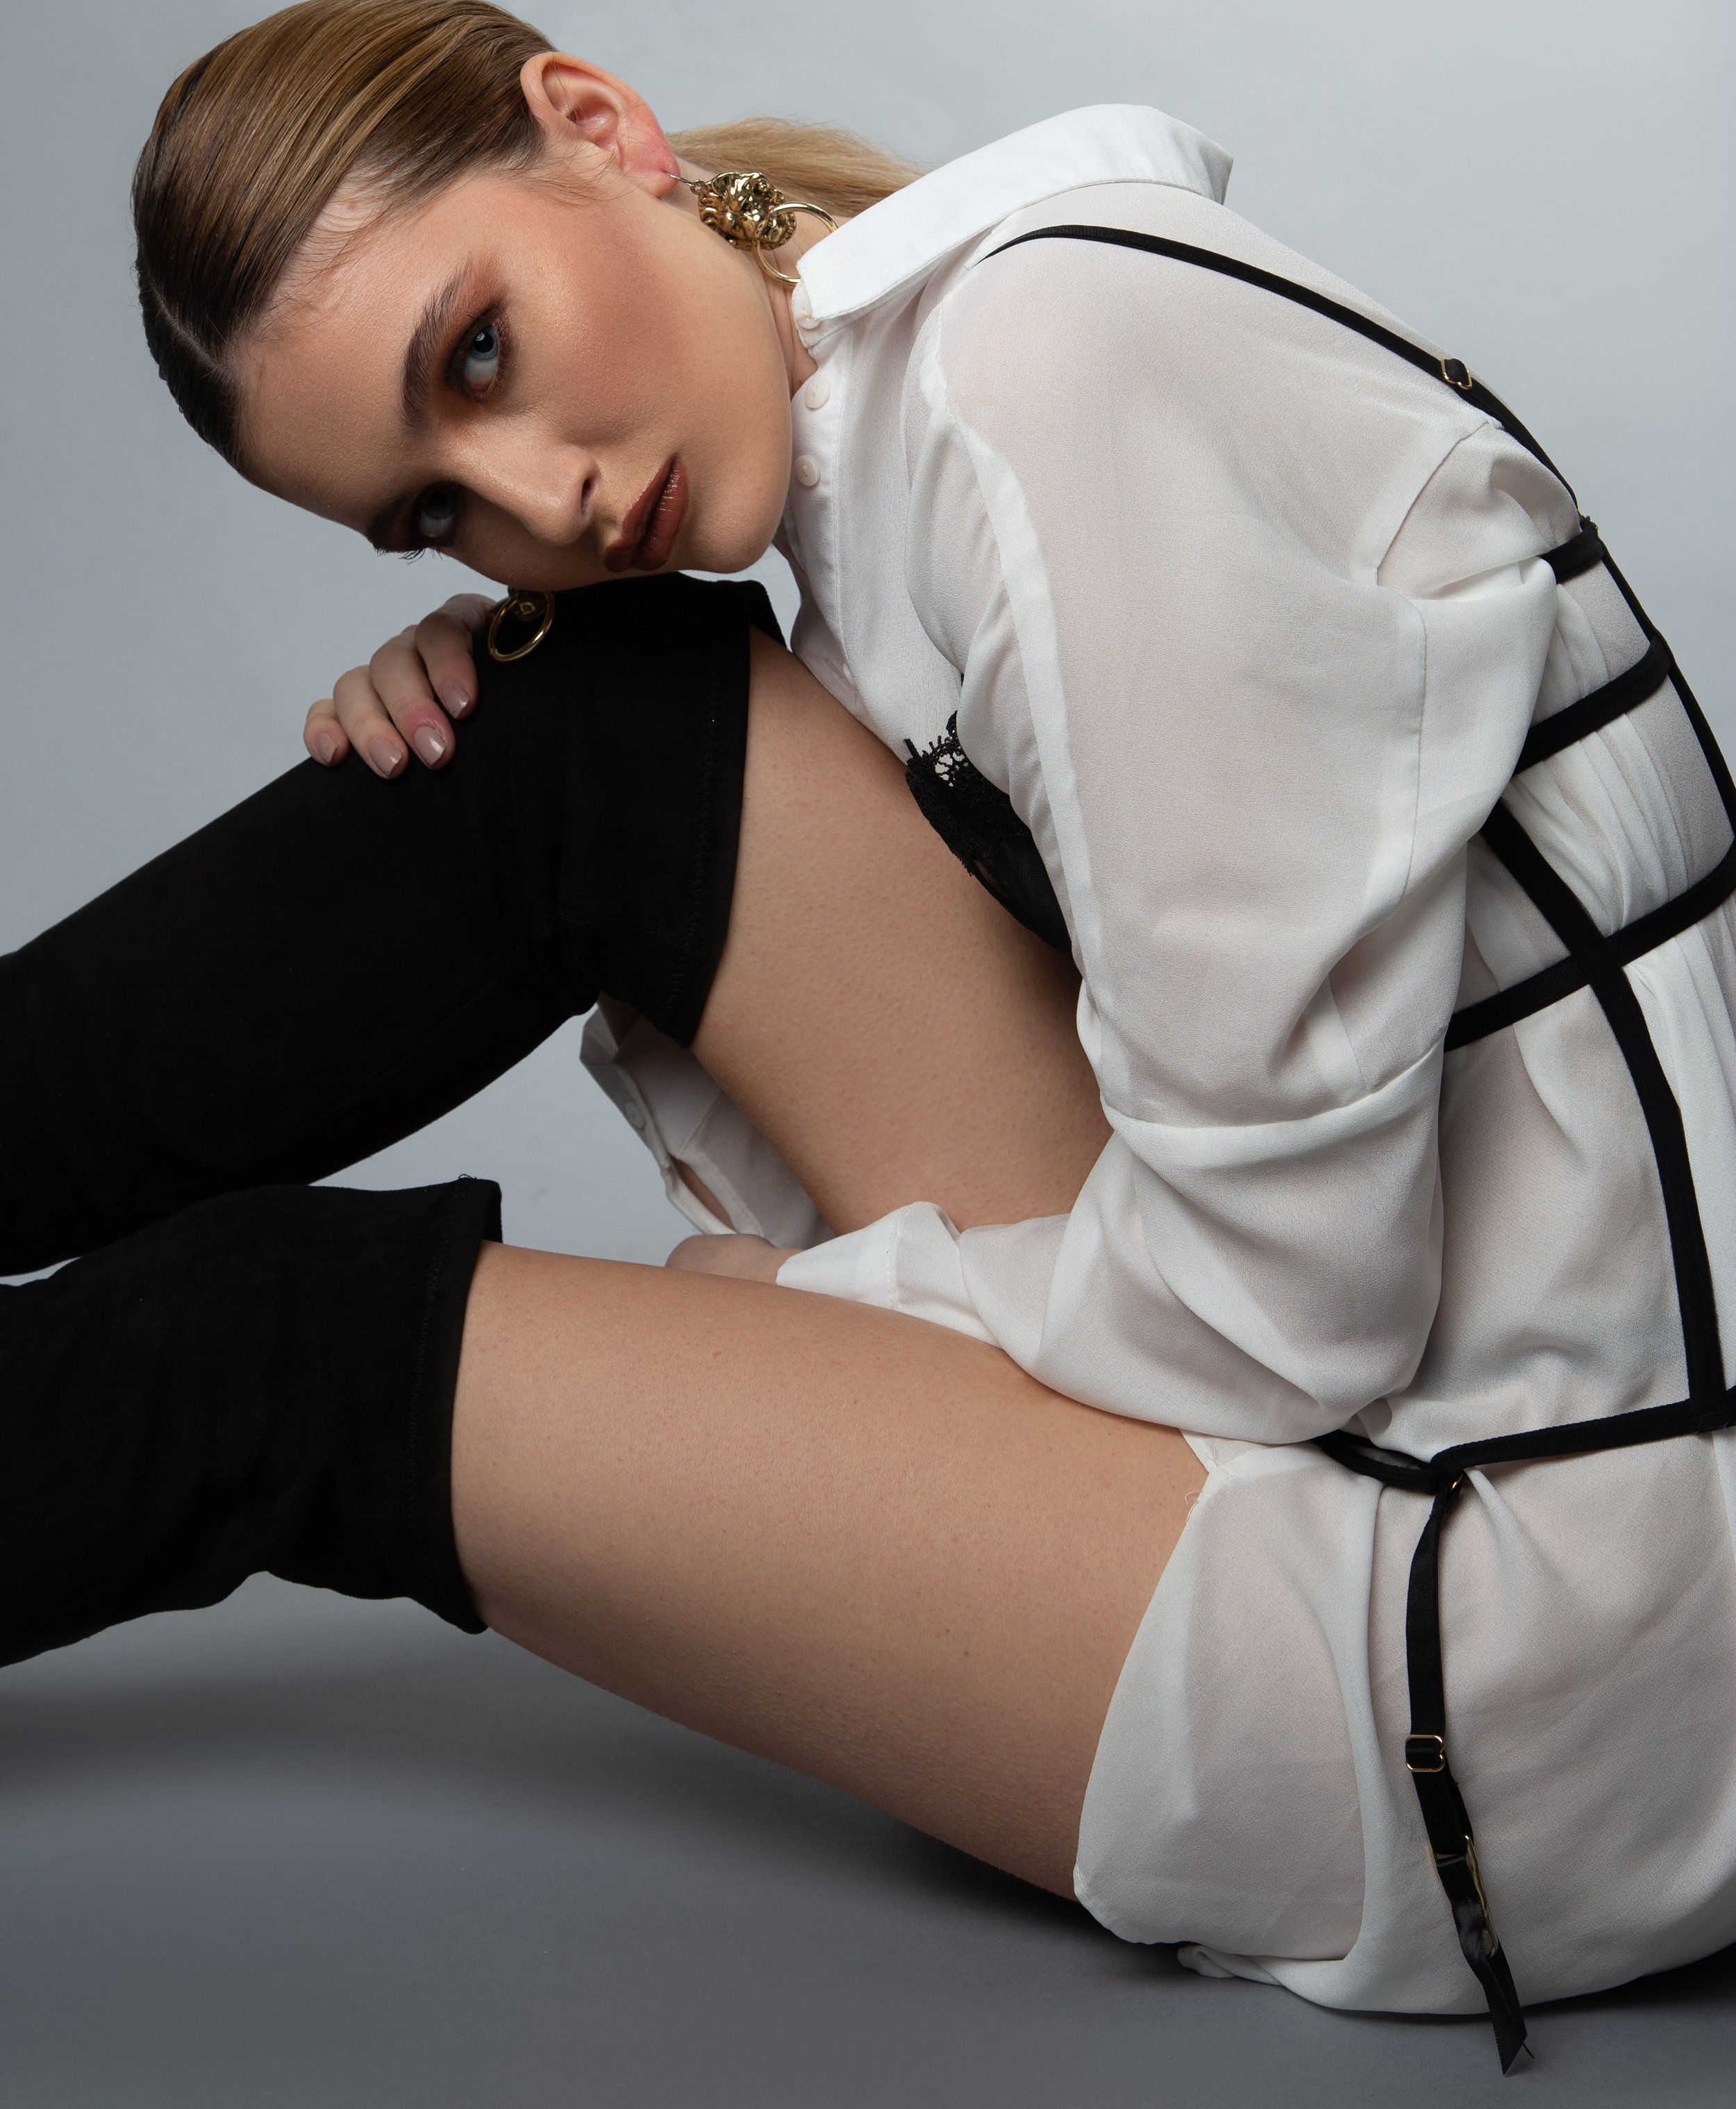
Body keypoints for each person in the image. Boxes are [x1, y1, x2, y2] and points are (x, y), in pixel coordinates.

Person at [8, 0, 1734, 2068]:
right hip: (1427, 1392)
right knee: (582, 731)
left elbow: (1284, 1311)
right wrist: (512, 686)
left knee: (271, 1348)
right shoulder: (947, 373)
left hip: (1523, 1625)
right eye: (435, 512)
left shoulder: (1055, 381)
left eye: (476, 356)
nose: (536, 495)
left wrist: (818, 1314)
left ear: (596, 125)